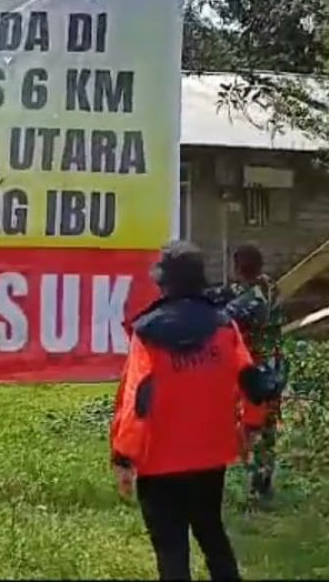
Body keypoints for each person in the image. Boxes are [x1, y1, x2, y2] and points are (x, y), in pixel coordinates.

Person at [110, 241, 283, 581]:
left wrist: (123, 456)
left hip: (158, 462)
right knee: (212, 534)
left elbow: (137, 402)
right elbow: (251, 381)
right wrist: (249, 428)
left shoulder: (146, 333)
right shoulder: (224, 326)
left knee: (172, 550)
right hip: (209, 456)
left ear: (163, 283)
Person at [218, 243, 287, 504]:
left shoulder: (249, 300)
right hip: (273, 369)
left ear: (237, 268)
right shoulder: (270, 289)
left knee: (251, 425)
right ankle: (262, 484)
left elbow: (223, 317)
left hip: (254, 373)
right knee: (265, 427)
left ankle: (255, 487)